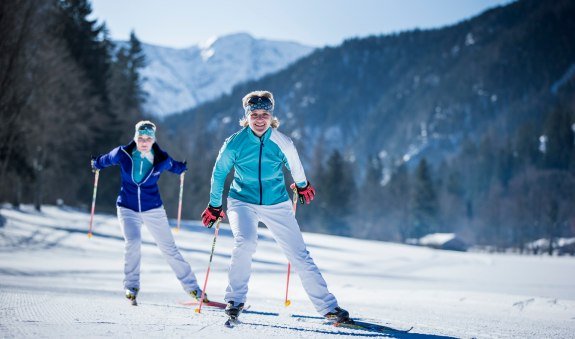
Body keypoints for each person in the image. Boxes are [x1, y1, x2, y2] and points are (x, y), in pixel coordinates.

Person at [201, 90, 351, 323]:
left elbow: (294, 163)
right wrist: (214, 204)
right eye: (255, 115)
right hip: (242, 201)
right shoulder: (234, 143)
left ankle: (328, 307)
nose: (260, 119)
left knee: (299, 254)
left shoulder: (282, 142)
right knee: (246, 241)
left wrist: (302, 185)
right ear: (247, 116)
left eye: (264, 114)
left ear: (271, 117)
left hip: (277, 202)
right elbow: (219, 172)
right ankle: (235, 300)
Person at [91, 120, 207, 305]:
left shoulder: (162, 159)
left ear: (153, 140)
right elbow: (105, 159)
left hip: (153, 209)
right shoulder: (123, 154)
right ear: (135, 138)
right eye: (140, 138)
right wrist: (96, 163)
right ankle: (131, 286)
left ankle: (193, 288)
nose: (144, 142)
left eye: (148, 138)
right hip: (127, 207)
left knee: (169, 248)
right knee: (133, 242)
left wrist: (182, 168)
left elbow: (174, 166)